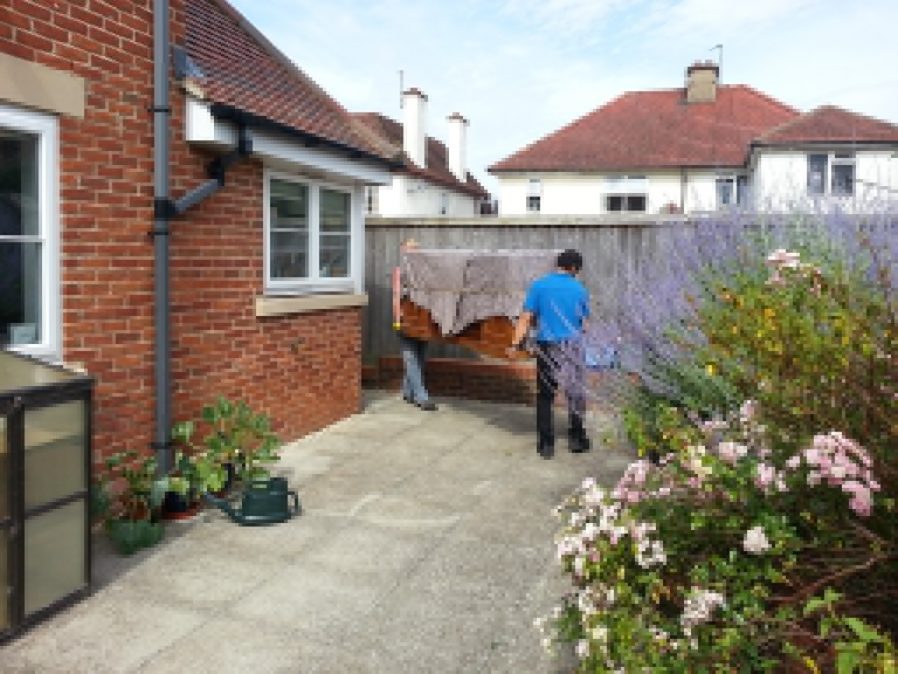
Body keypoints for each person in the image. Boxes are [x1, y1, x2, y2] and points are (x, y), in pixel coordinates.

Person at [508, 249, 590, 458]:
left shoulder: (539, 285)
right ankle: (577, 439)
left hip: (547, 347)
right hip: (573, 346)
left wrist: (515, 344)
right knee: (575, 393)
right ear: (573, 268)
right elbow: (585, 324)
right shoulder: (579, 289)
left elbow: (525, 318)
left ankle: (546, 444)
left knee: (545, 396)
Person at [392, 240, 438, 411]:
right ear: (403, 251)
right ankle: (421, 396)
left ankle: (407, 391)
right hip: (406, 322)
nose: (412, 254)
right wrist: (397, 321)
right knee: (411, 358)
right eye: (409, 250)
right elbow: (396, 297)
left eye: (415, 250)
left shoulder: (425, 273)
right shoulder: (400, 272)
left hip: (423, 321)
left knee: (419, 357)